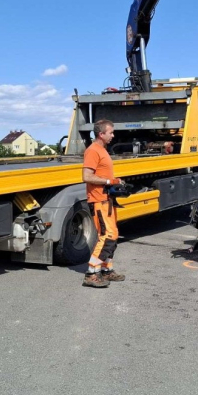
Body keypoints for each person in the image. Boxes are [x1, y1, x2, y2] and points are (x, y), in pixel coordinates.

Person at [81, 119, 125, 288]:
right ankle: (92, 273)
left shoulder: (102, 150)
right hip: (98, 200)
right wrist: (109, 181)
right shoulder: (93, 151)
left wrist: (114, 182)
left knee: (113, 234)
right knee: (107, 236)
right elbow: (87, 176)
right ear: (101, 134)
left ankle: (106, 270)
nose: (113, 135)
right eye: (111, 132)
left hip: (107, 199)